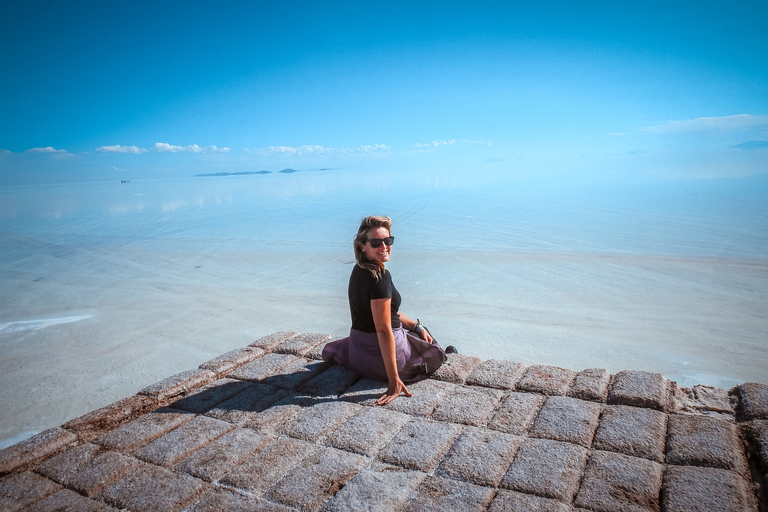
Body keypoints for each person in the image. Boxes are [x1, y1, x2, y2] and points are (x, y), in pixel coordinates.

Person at [323, 215, 449, 405]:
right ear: (362, 245)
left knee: (420, 332)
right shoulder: (380, 277)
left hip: (359, 355)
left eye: (387, 240)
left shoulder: (358, 270)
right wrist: (393, 381)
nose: (383, 246)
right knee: (433, 352)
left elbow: (386, 311)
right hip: (382, 360)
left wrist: (417, 326)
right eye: (376, 242)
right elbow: (383, 329)